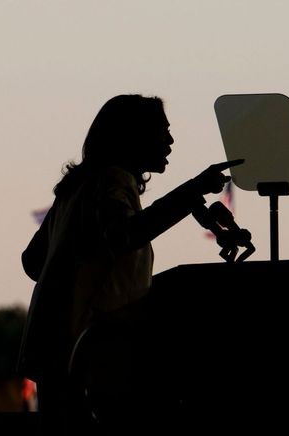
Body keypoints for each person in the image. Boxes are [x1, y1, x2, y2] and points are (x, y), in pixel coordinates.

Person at [18, 94, 240, 431]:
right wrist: (193, 190)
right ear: (132, 137)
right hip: (91, 353)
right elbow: (124, 236)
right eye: (161, 132)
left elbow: (33, 261)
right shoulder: (111, 181)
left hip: (54, 348)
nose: (170, 140)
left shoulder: (77, 187)